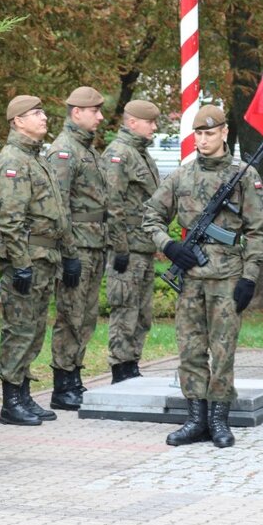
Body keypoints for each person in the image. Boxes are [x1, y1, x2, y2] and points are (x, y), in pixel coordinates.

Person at [143, 104, 263, 448]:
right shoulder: (181, 175)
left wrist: (250, 277)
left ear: (224, 133)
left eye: (209, 133)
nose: (202, 140)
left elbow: (258, 231)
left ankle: (218, 419)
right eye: (198, 133)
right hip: (190, 278)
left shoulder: (244, 176)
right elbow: (150, 216)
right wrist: (169, 247)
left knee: (223, 348)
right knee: (190, 349)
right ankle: (196, 417)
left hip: (228, 277)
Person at [0, 95, 81, 426]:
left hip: (46, 257)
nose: (44, 118)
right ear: (17, 121)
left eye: (42, 112)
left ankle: (24, 395)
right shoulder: (12, 162)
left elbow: (58, 214)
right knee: (19, 329)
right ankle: (11, 402)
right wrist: (21, 262)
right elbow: (10, 220)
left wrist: (69, 254)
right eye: (36, 113)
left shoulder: (36, 159)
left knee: (34, 329)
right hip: (27, 258)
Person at [44, 86, 107, 410]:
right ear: (76, 113)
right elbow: (59, 207)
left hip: (93, 244)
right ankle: (63, 383)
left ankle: (75, 376)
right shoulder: (64, 151)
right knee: (70, 315)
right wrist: (68, 253)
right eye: (93, 110)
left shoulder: (87, 150)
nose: (99, 116)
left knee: (86, 316)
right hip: (77, 247)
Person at [101, 100, 162, 382]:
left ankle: (133, 363)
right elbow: (112, 205)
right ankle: (120, 368)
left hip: (144, 246)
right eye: (150, 122)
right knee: (125, 309)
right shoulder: (118, 154)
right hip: (128, 248)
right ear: (133, 122)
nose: (155, 127)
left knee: (142, 313)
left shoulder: (142, 155)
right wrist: (120, 247)